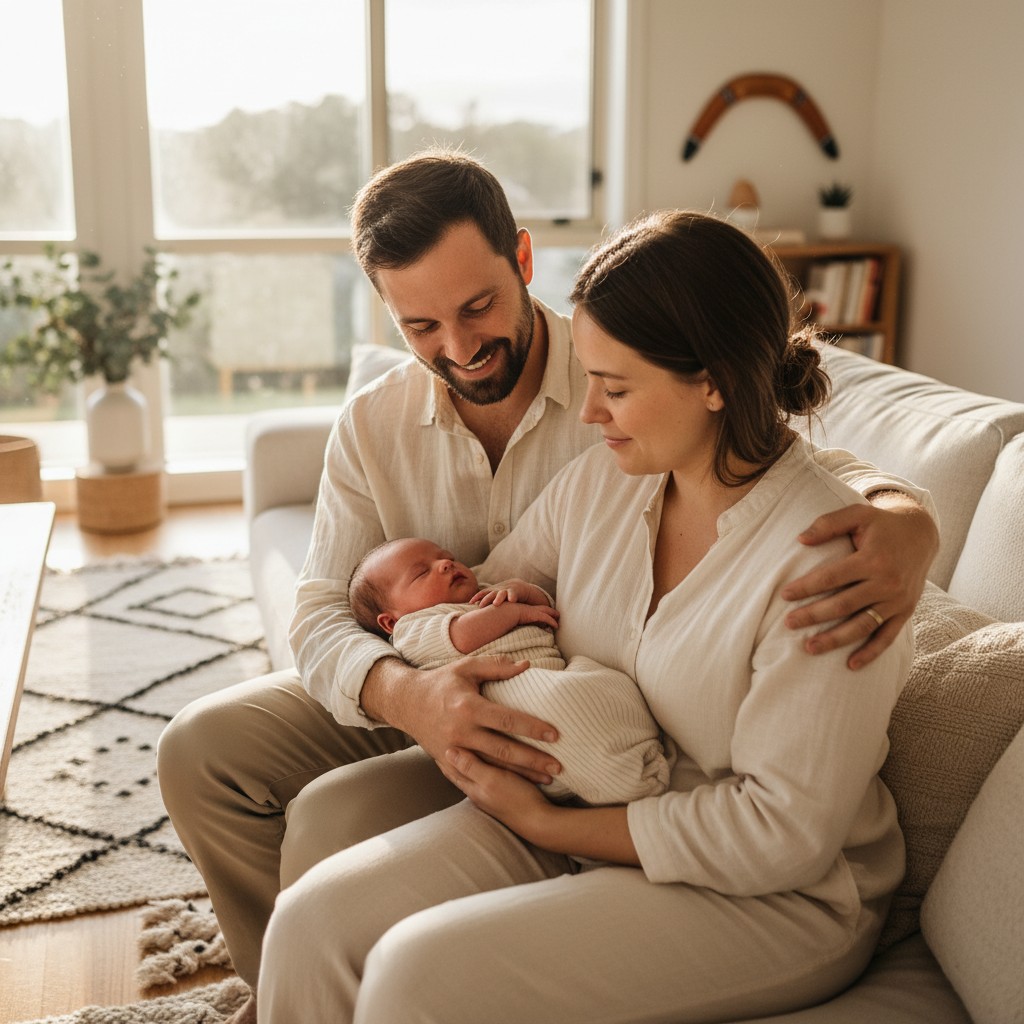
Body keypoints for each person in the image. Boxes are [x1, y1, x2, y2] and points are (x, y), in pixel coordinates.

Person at [156, 150, 938, 1024]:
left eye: (613, 389)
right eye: (421, 324)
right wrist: (421, 677)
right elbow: (477, 593)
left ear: (712, 383)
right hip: (582, 786)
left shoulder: (829, 566)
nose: (591, 412)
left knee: (415, 976)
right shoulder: (610, 476)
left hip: (762, 888)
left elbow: (779, 836)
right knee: (312, 924)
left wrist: (911, 515)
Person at [349, 536, 671, 805]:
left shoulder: (486, 593)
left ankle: (632, 745)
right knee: (562, 703)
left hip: (554, 673)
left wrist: (525, 591)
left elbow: (545, 611)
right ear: (390, 620)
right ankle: (623, 775)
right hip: (516, 699)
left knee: (599, 681)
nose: (445, 564)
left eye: (447, 557)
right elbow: (462, 636)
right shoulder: (411, 629)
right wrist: (514, 612)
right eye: (421, 573)